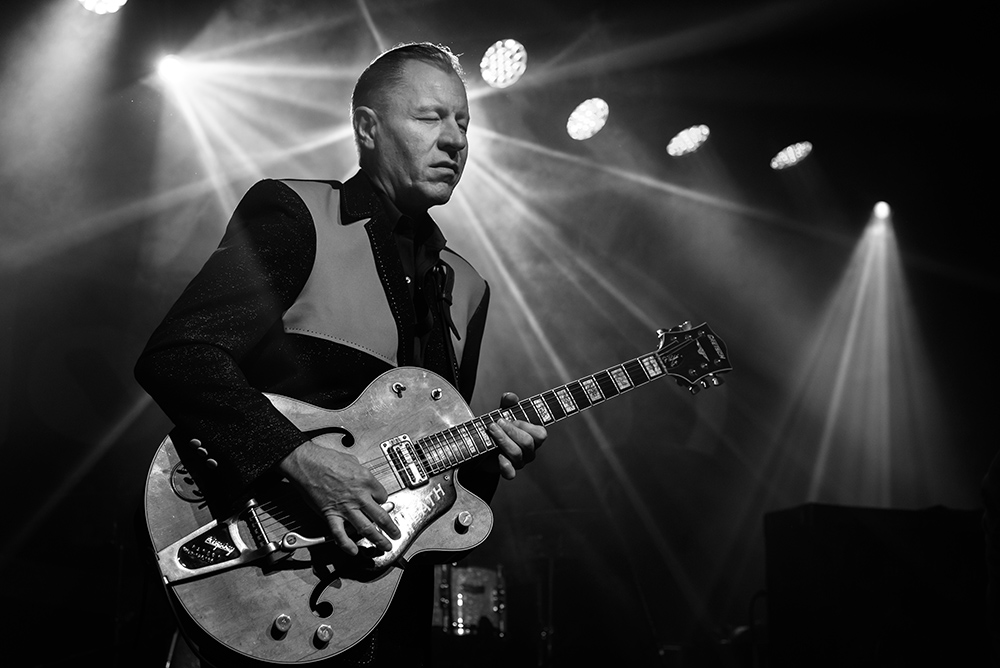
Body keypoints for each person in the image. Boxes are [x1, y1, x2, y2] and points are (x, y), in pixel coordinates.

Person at [135, 42, 546, 667]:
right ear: (367, 128)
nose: (457, 140)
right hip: (265, 572)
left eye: (464, 122)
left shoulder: (468, 287)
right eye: (431, 117)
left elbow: (426, 475)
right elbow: (180, 355)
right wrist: (298, 459)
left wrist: (489, 452)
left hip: (385, 606)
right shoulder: (298, 213)